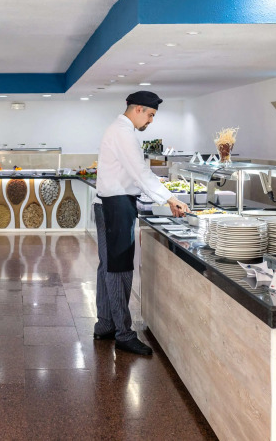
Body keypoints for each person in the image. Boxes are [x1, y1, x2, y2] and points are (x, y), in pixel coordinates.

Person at [93, 91, 189, 356]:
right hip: (115, 206)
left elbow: (136, 174)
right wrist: (170, 199)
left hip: (109, 204)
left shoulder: (118, 130)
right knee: (119, 270)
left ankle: (105, 324)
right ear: (137, 109)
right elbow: (140, 172)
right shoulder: (123, 133)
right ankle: (123, 334)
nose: (150, 121)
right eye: (150, 115)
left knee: (107, 266)